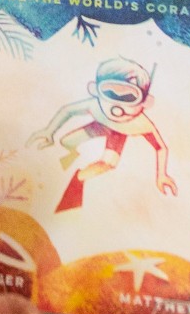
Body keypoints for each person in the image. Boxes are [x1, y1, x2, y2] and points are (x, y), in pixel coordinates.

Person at [28, 56, 176, 212]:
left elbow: (161, 148)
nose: (117, 105)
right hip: (100, 124)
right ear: (95, 90)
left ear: (145, 103)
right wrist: (49, 132)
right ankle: (73, 155)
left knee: (107, 164)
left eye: (129, 96)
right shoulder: (95, 106)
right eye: (110, 92)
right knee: (67, 141)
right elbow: (67, 111)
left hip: (119, 134)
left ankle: (78, 181)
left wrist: (161, 175)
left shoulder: (140, 124)